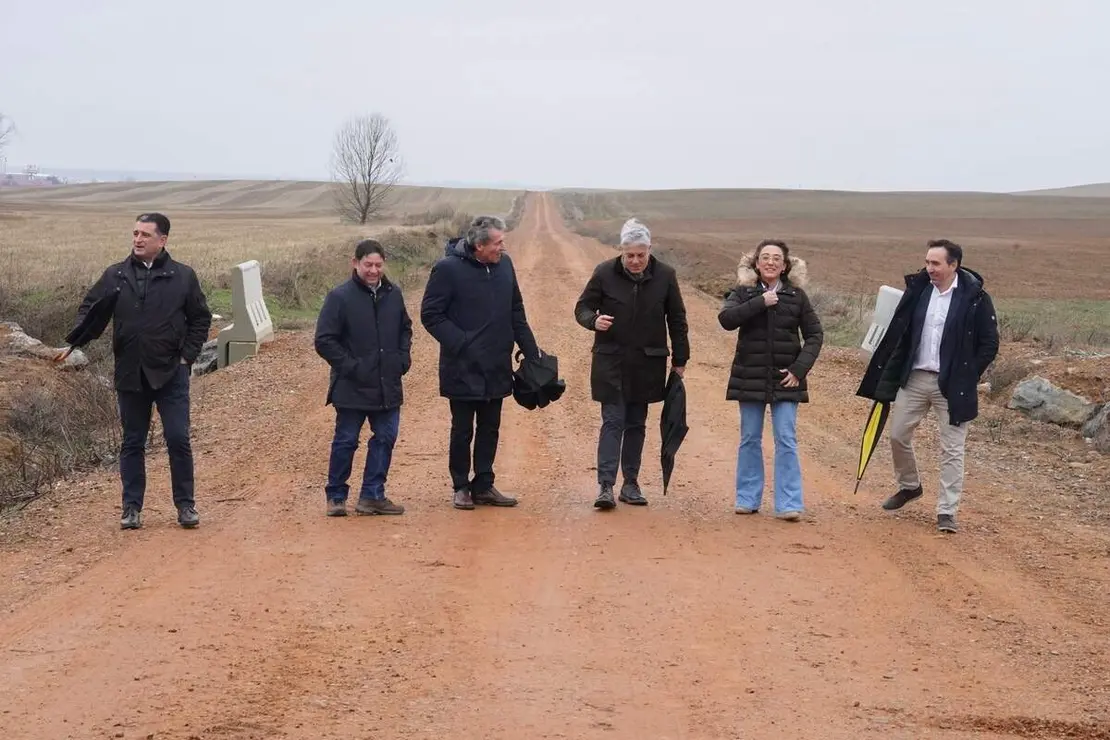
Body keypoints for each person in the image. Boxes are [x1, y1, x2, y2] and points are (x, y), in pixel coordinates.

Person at [57, 213, 212, 530]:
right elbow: (90, 310)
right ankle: (131, 508)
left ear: (162, 240)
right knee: (132, 443)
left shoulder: (183, 276)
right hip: (130, 373)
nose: (137, 239)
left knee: (178, 438)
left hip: (171, 373)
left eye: (144, 234)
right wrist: (73, 343)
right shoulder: (116, 275)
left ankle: (186, 506)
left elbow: (200, 319)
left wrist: (187, 357)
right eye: (134, 233)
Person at [856, 239, 999, 533]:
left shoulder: (976, 298)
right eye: (927, 262)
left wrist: (968, 374)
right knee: (897, 434)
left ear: (953, 265)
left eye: (935, 263)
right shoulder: (918, 291)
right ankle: (910, 486)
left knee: (952, 448)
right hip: (916, 378)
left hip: (953, 383)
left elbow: (989, 343)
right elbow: (899, 332)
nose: (929, 268)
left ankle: (947, 511)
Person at [420, 215, 542, 510]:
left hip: (497, 362)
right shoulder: (447, 269)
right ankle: (461, 486)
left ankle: (484, 485)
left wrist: (531, 350)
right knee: (462, 428)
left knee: (491, 427)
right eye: (498, 242)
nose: (503, 247)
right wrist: (462, 343)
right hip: (462, 365)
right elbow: (431, 315)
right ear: (479, 245)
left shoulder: (505, 266)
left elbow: (516, 309)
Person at [574, 218, 689, 510]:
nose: (635, 261)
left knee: (636, 423)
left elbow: (677, 320)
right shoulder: (604, 273)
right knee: (613, 420)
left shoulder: (665, 275)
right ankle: (605, 486)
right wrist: (593, 320)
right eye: (630, 255)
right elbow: (582, 307)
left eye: (641, 254)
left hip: (647, 362)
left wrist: (680, 360)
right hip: (610, 360)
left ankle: (631, 484)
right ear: (621, 251)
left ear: (649, 250)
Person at [718, 239, 823, 521]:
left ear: (786, 265)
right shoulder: (743, 292)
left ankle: (789, 503)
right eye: (765, 257)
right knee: (750, 438)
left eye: (777, 258)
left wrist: (799, 370)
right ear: (756, 263)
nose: (771, 262)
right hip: (749, 377)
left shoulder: (797, 296)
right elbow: (726, 319)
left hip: (786, 379)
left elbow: (815, 335)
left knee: (786, 439)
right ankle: (747, 499)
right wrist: (759, 303)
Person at [314, 239, 412, 517]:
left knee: (386, 437)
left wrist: (402, 359)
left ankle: (372, 495)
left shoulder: (394, 294)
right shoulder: (339, 297)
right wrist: (352, 367)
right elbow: (324, 340)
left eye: (378, 265)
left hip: (387, 383)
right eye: (368, 264)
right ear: (355, 263)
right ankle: (336, 496)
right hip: (352, 384)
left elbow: (406, 328)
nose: (373, 270)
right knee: (346, 440)